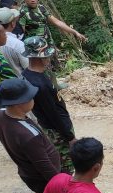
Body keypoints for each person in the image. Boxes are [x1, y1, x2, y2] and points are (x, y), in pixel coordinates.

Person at [22, 36, 77, 174]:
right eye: (46, 55)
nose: (48, 58)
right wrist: (70, 137)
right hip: (57, 130)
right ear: (39, 57)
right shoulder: (39, 84)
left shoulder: (27, 74)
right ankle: (63, 192)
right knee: (66, 166)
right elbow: (52, 114)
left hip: (48, 126)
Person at [0, 7, 28, 77]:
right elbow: (28, 68)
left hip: (3, 84)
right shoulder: (17, 44)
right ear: (12, 24)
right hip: (20, 83)